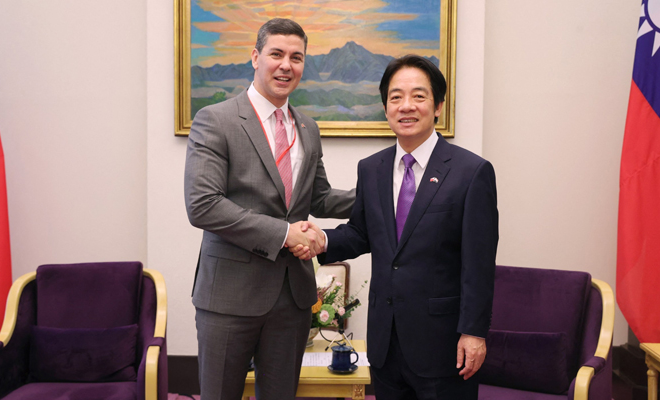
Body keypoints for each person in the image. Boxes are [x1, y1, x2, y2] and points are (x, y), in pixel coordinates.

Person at [293, 55, 498, 399]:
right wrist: (322, 240)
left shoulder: (471, 172)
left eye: (419, 96)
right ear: (385, 107)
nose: (406, 106)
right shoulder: (372, 168)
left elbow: (478, 264)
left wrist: (474, 333)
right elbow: (361, 232)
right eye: (395, 97)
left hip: (444, 344)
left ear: (438, 107)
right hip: (385, 341)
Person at [184, 18, 355, 400]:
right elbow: (203, 205)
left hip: (292, 297)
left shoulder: (307, 128)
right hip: (228, 295)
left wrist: (383, 190)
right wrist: (283, 233)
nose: (286, 65)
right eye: (276, 54)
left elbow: (320, 197)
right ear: (255, 57)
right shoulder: (216, 119)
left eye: (296, 57)